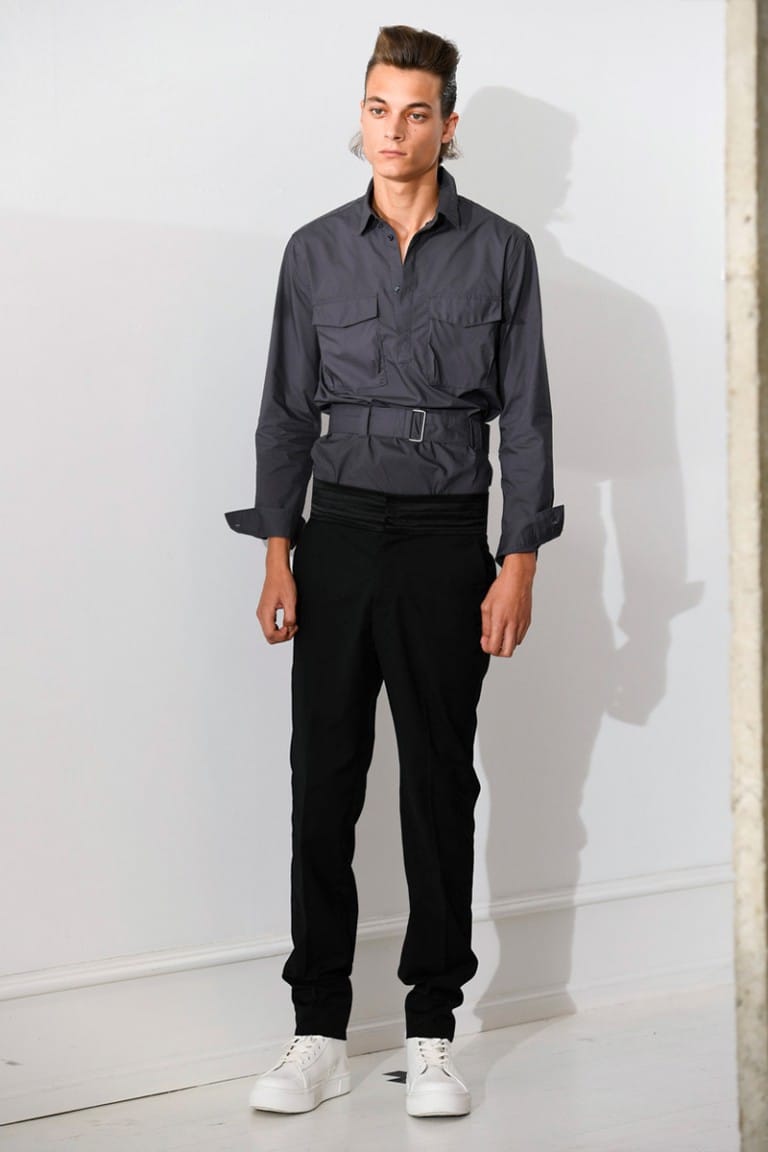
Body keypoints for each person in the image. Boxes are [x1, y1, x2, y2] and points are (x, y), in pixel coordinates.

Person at [225, 23, 564, 1119]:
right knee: (323, 782)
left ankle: (431, 1031)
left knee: (437, 785)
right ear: (361, 116)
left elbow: (527, 417)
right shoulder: (313, 251)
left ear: (447, 127)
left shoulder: (501, 251)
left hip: (445, 540)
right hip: (336, 534)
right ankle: (317, 1032)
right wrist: (279, 552)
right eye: (378, 109)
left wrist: (517, 561)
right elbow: (284, 410)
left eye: (416, 113)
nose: (394, 130)